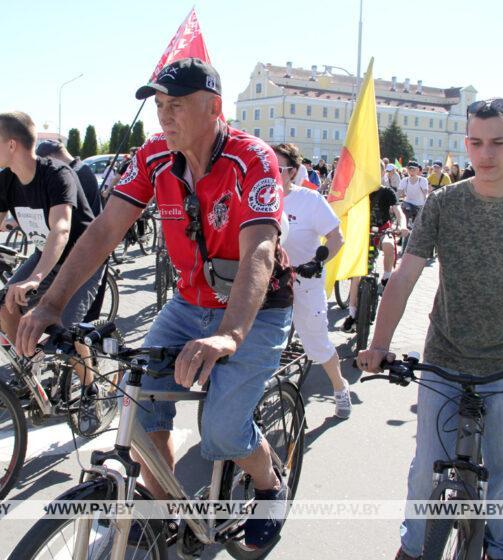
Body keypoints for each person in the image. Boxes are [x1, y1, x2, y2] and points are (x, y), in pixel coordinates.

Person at [17, 58, 295, 549]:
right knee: (137, 401)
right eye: (160, 106)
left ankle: (271, 484)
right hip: (189, 304)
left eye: (177, 106)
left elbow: (260, 251)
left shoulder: (252, 158)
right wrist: (50, 303)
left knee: (225, 431)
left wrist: (229, 335)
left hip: (257, 309)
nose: (164, 117)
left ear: (214, 108)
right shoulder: (153, 157)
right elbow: (105, 229)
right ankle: (165, 504)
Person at [356, 98, 503, 560]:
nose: (485, 154)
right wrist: (380, 345)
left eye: (498, 143)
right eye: (475, 142)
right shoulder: (445, 203)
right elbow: (405, 275)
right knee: (425, 471)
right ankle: (412, 549)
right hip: (443, 358)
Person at [0, 112, 102, 391]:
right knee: (7, 305)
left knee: (66, 328)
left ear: (12, 145)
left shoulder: (57, 174)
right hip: (47, 255)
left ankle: (91, 388)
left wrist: (36, 278)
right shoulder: (6, 179)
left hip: (83, 257)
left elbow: (61, 229)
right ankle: (31, 369)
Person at [274, 143, 350, 417]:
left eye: (278, 167)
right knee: (260, 339)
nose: (270, 171)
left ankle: (340, 387)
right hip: (269, 281)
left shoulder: (310, 200)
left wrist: (316, 262)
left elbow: (336, 238)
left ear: (292, 172)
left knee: (316, 344)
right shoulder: (256, 196)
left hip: (304, 278)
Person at [34, 139, 108, 322]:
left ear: (50, 157)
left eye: (44, 163)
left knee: (75, 323)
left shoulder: (74, 174)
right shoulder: (80, 169)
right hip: (75, 248)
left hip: (84, 253)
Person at [341, 179, 408, 333]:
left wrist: (402, 225)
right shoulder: (359, 191)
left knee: (389, 245)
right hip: (363, 232)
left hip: (383, 230)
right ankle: (352, 314)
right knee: (357, 274)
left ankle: (386, 278)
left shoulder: (386, 192)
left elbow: (398, 211)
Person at [397, 161, 428, 225]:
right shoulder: (404, 180)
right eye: (409, 169)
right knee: (406, 209)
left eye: (414, 169)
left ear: (417, 170)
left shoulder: (423, 180)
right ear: (407, 170)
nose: (411, 171)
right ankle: (404, 228)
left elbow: (425, 193)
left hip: (419, 205)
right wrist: (393, 203)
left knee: (417, 223)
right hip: (408, 202)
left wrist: (426, 205)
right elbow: (398, 193)